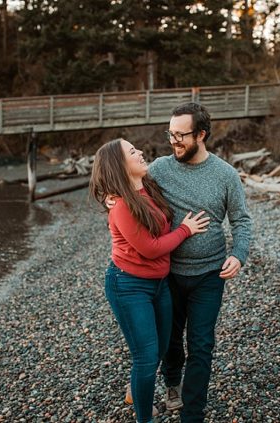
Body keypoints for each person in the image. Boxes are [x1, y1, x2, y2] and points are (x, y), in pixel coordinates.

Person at [90, 138, 210, 423]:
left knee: (160, 347)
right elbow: (150, 248)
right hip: (128, 286)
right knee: (145, 357)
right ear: (120, 165)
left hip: (159, 284)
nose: (140, 152)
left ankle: (135, 390)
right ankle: (144, 417)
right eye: (132, 152)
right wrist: (185, 230)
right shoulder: (120, 205)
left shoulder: (148, 185)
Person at [151, 103, 252, 422]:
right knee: (170, 339)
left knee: (201, 344)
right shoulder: (159, 169)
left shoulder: (225, 175)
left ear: (201, 135)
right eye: (170, 133)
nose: (173, 141)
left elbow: (241, 220)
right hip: (168, 273)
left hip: (210, 274)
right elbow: (127, 190)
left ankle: (192, 414)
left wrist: (238, 254)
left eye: (180, 135)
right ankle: (172, 384)